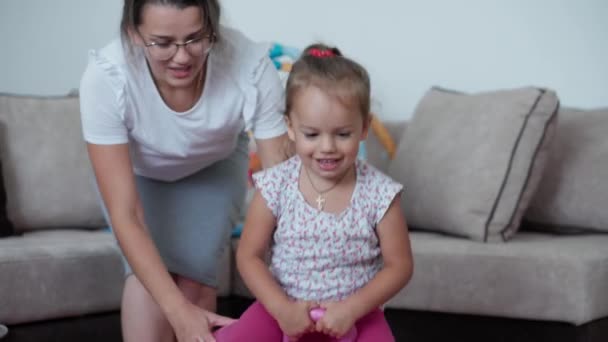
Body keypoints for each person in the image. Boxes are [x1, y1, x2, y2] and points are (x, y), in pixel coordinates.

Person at [78, 1, 290, 341]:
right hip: (139, 173)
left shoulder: (251, 66)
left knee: (194, 274)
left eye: (196, 38)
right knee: (149, 283)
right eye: (162, 43)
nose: (182, 57)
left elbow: (285, 189)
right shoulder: (106, 76)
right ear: (134, 34)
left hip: (214, 167)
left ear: (213, 28)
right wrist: (178, 314)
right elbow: (126, 214)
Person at [214, 44, 414, 342]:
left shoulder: (381, 193)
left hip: (357, 315)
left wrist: (351, 309)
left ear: (364, 128)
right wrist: (281, 309)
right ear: (290, 128)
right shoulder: (275, 185)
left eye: (342, 134)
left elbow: (400, 266)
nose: (327, 147)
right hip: (282, 309)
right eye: (312, 134)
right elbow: (249, 256)